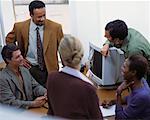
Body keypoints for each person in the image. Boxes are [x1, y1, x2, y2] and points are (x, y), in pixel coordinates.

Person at [5, 0, 64, 87]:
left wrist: (67, 70)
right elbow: (9, 40)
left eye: (44, 15)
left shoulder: (56, 27)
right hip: (28, 68)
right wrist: (20, 57)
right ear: (31, 15)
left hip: (50, 70)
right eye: (39, 17)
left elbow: (63, 50)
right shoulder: (20, 27)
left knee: (50, 96)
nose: (42, 19)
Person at [47, 35, 103, 119]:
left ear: (61, 56)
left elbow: (51, 113)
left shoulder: (52, 78)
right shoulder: (87, 88)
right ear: (82, 54)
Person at [101, 19, 150, 85]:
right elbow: (113, 41)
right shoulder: (127, 32)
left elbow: (138, 75)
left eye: (108, 37)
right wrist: (106, 44)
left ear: (117, 40)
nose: (105, 36)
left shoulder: (133, 50)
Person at [0, 43, 47, 109]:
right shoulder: (2, 78)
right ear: (8, 60)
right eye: (17, 57)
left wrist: (45, 92)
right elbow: (10, 102)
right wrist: (32, 104)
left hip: (29, 111)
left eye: (20, 54)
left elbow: (35, 87)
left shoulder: (24, 70)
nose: (22, 58)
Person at [115, 55, 150, 119]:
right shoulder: (140, 81)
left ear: (133, 72)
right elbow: (129, 99)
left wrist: (119, 93)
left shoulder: (142, 96)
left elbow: (120, 118)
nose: (121, 68)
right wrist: (113, 101)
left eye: (124, 67)